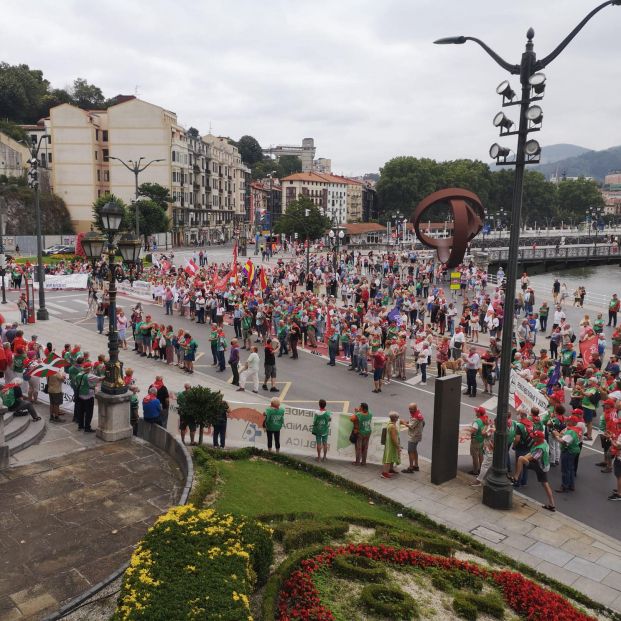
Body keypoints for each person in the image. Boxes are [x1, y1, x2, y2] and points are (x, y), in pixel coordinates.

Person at [509, 430, 556, 512]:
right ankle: (552, 505)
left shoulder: (540, 449)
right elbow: (531, 453)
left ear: (538, 438)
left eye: (534, 436)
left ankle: (515, 478)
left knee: (520, 458)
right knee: (545, 484)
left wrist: (523, 459)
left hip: (540, 467)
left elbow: (532, 457)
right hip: (544, 465)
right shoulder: (543, 442)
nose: (532, 437)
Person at [402, 402, 424, 473]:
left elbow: (411, 426)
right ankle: (416, 465)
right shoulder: (418, 413)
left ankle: (411, 467)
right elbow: (423, 423)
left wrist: (403, 422)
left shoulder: (415, 418)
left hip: (413, 437)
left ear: (415, 409)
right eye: (409, 409)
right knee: (414, 450)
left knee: (410, 451)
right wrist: (408, 422)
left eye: (411, 409)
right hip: (417, 435)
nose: (409, 411)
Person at [381, 412, 401, 479]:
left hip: (390, 444)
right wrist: (398, 446)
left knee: (392, 457)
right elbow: (393, 438)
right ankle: (384, 473)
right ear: (395, 418)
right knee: (388, 458)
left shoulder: (390, 423)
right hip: (391, 445)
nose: (398, 419)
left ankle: (390, 469)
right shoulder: (392, 426)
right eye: (397, 417)